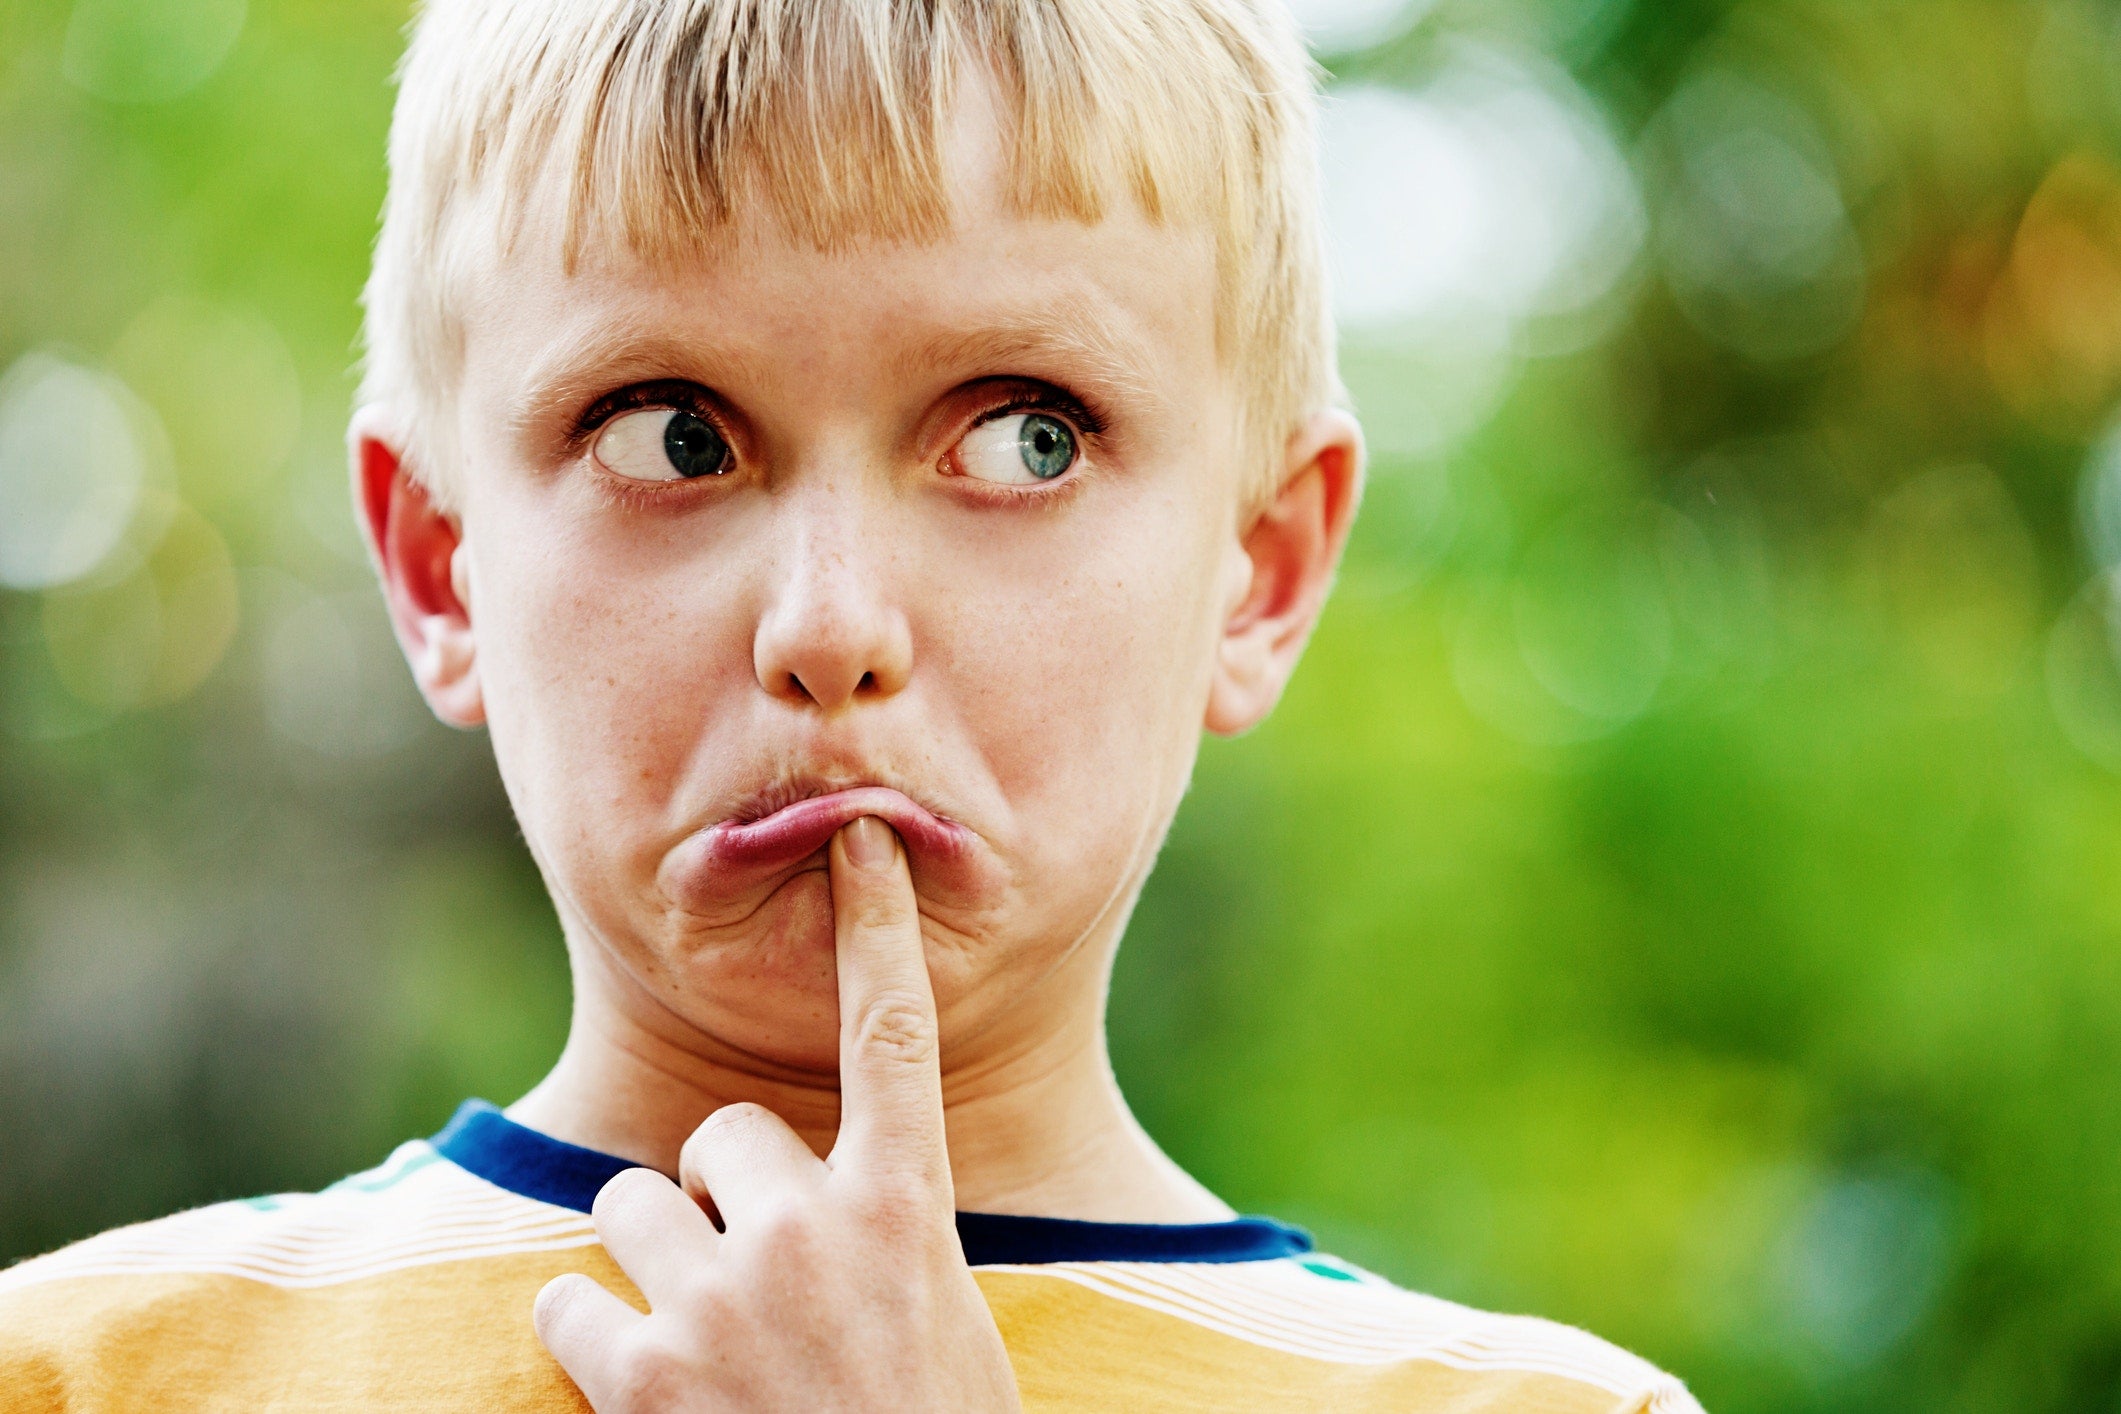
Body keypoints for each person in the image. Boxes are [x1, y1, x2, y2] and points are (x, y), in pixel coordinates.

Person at [0, 1, 1704, 1409]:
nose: (830, 626)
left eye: (1025, 434)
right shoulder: (83, 1371)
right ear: (442, 567)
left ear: (1255, 570)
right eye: (672, 432)